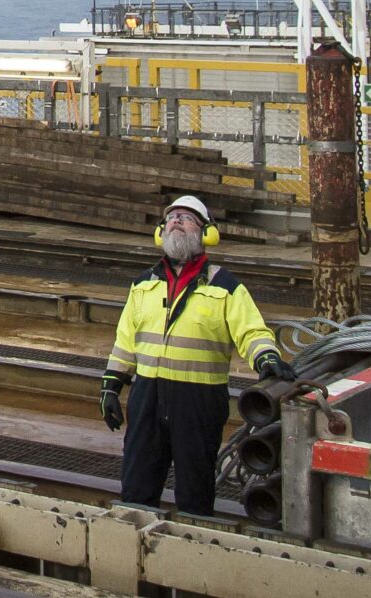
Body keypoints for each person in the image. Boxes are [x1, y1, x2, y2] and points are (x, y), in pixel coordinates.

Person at [100, 194, 294, 514]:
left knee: (194, 492)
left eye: (187, 218)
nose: (176, 221)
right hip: (148, 397)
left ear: (206, 234)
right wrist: (111, 385)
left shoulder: (225, 286)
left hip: (198, 401)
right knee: (136, 488)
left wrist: (267, 358)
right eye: (172, 217)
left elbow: (252, 331)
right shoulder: (144, 284)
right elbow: (125, 341)